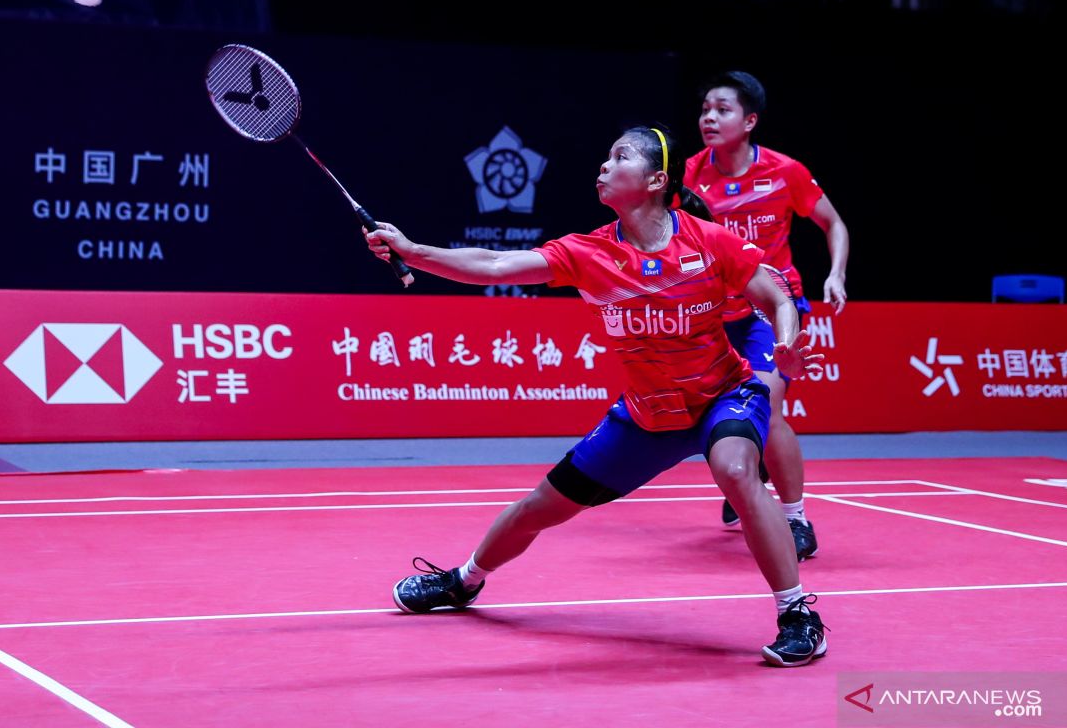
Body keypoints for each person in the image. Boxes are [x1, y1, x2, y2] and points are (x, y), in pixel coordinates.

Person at [364, 125, 829, 667]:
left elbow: (776, 296)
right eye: (606, 157)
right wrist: (414, 251)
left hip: (723, 394)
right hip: (648, 416)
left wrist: (787, 345)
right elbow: (494, 264)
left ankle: (799, 614)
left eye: (620, 156)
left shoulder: (708, 240)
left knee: (735, 468)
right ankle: (463, 581)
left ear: (657, 179)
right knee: (540, 508)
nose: (604, 166)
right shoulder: (589, 253)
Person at [685, 71, 849, 561]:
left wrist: (836, 273)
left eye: (723, 109)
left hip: (773, 307)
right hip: (714, 312)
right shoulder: (691, 174)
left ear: (749, 120)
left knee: (768, 405)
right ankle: (748, 474)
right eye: (705, 109)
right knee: (718, 412)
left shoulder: (784, 171)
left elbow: (833, 222)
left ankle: (796, 519)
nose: (709, 118)